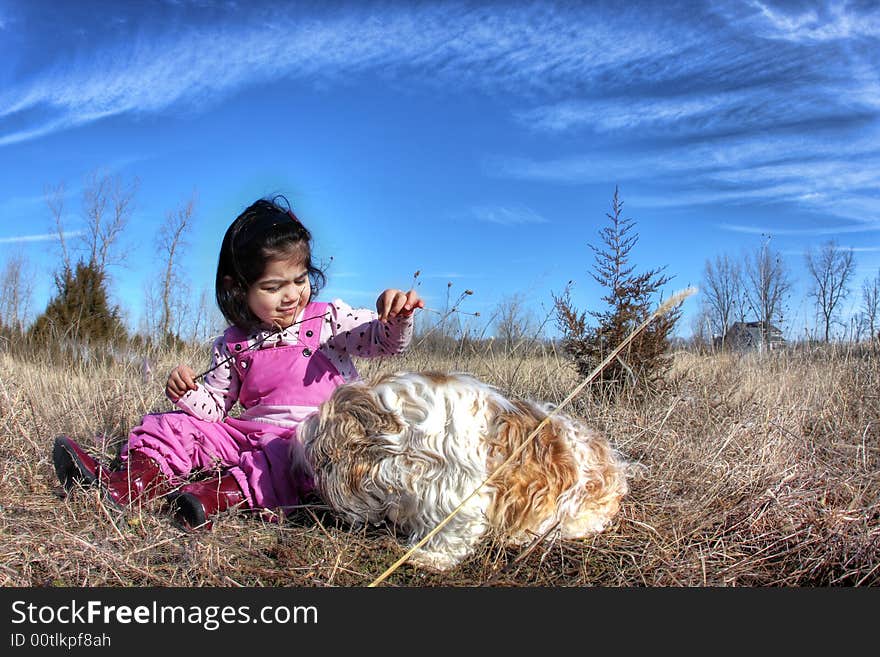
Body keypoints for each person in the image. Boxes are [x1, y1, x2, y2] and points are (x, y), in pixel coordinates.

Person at [53, 196, 423, 529]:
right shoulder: (235, 342)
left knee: (285, 457)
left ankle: (217, 495)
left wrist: (396, 317)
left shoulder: (329, 320)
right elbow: (215, 410)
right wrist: (188, 394)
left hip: (319, 441)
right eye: (273, 287)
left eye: (300, 279)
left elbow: (383, 343)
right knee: (174, 425)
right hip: (249, 435)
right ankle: (129, 482)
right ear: (238, 288)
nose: (291, 295)